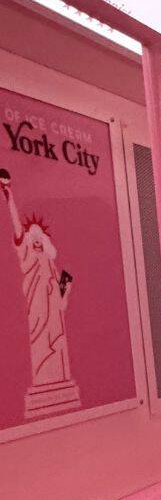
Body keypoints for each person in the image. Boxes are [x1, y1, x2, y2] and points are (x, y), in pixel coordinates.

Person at [1, 167, 75, 392]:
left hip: (54, 315)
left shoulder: (49, 264)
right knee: (41, 344)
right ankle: (45, 380)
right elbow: (16, 226)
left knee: (57, 342)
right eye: (31, 238)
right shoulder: (28, 259)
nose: (35, 241)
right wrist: (9, 196)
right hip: (37, 312)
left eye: (39, 239)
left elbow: (61, 302)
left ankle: (59, 379)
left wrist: (65, 287)